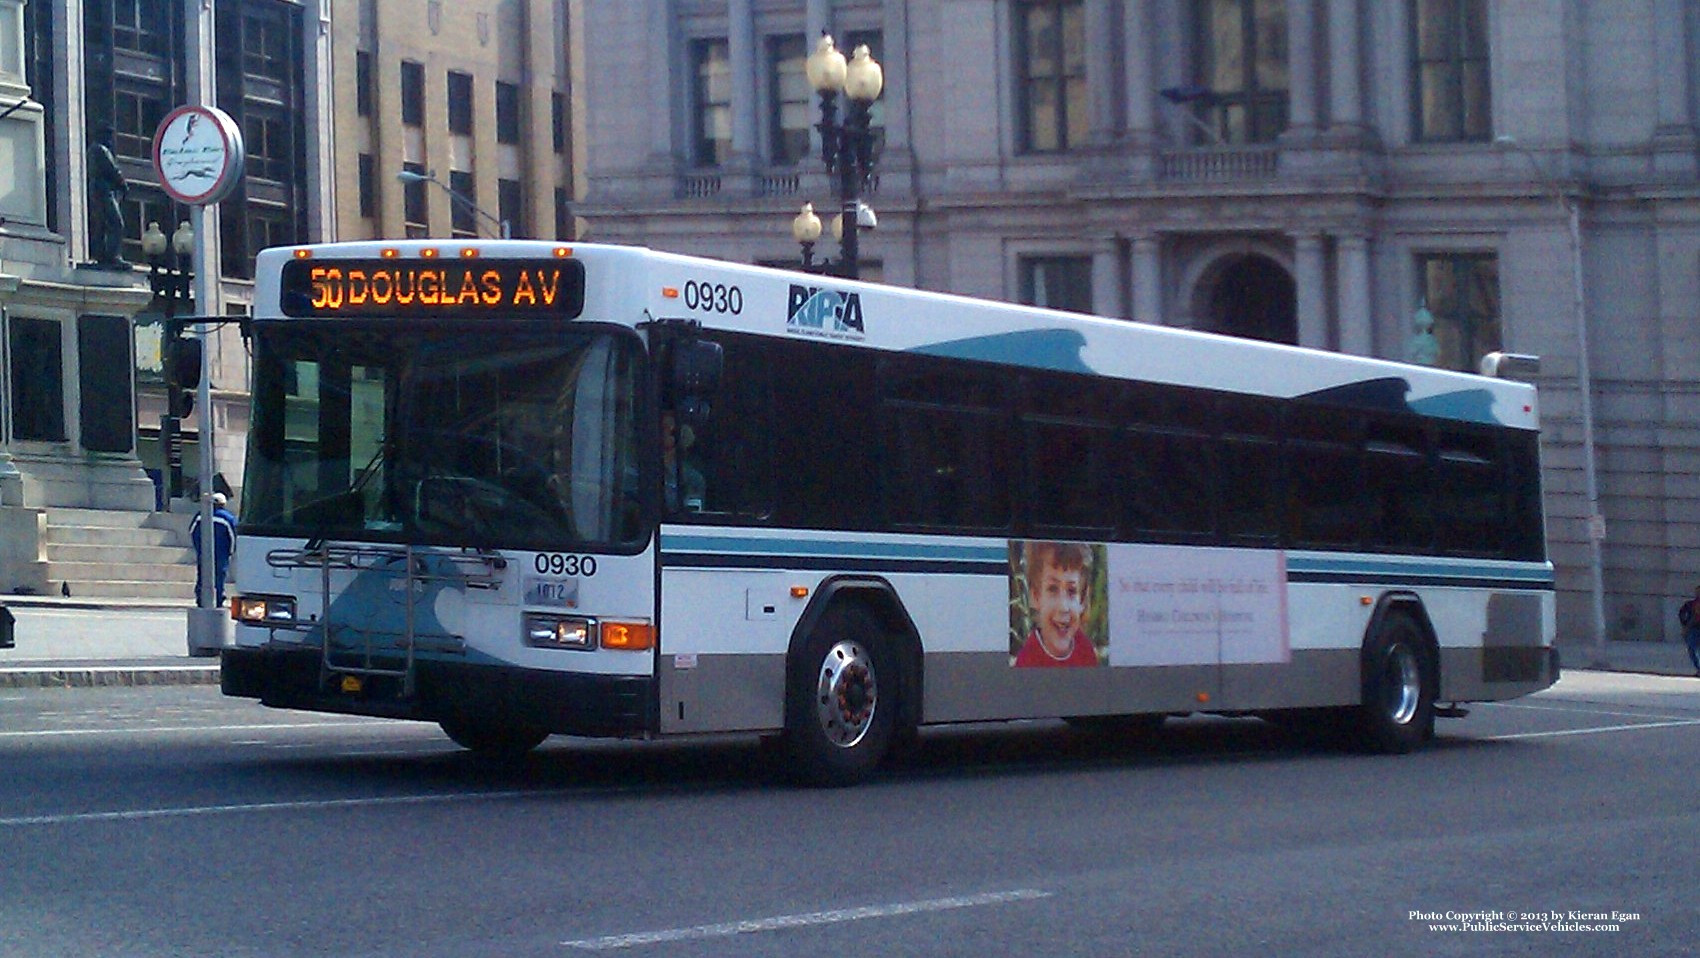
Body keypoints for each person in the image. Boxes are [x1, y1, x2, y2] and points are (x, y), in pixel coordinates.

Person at [1013, 541, 1102, 668]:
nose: (1063, 607)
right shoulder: (1027, 660)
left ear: (1082, 600)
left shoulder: (1086, 651)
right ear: (1036, 597)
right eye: (1053, 589)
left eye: (1071, 591)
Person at [189, 492, 237, 607]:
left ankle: (201, 599)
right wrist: (230, 551)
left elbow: (192, 532)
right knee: (219, 577)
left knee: (202, 575)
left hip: (204, 552)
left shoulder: (200, 516)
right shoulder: (228, 518)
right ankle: (218, 600)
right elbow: (233, 537)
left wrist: (198, 548)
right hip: (221, 553)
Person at [661, 412, 706, 512]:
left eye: (670, 429)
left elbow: (690, 518)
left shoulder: (692, 479)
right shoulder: (638, 471)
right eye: (663, 428)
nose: (664, 433)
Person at [1679, 584, 1700, 676]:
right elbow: (1682, 614)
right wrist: (1685, 624)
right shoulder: (1690, 604)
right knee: (1692, 649)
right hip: (1693, 629)